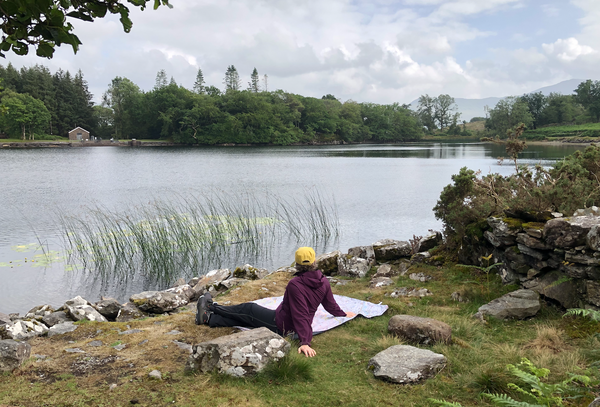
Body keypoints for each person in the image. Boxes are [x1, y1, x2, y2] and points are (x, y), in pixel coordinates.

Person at [195, 247, 357, 357]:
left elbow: (300, 314)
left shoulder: (296, 285)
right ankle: (209, 318)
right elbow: (330, 304)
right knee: (246, 319)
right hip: (286, 321)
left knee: (248, 309)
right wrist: (342, 314)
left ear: (298, 263)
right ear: (314, 261)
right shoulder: (323, 281)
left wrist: (305, 342)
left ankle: (211, 307)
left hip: (281, 325)